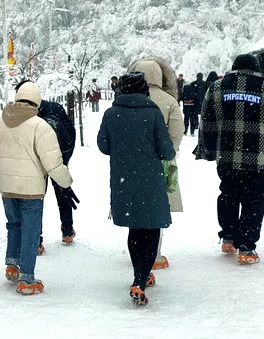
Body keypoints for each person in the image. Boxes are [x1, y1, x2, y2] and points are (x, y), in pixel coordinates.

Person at [196, 53, 264, 265]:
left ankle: (229, 237)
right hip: (259, 157)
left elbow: (206, 119)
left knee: (228, 194)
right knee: (256, 200)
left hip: (227, 156)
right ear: (257, 68)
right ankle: (247, 246)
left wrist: (207, 148)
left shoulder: (217, 87)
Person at [0, 80, 72, 295]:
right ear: (37, 102)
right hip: (31, 189)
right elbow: (53, 163)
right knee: (31, 230)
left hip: (7, 187)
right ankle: (27, 278)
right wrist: (66, 182)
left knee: (14, 225)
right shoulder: (40, 126)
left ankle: (12, 264)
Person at [97, 72, 174, 306]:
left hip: (123, 179)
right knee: (150, 229)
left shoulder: (111, 113)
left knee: (134, 228)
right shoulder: (153, 113)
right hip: (150, 179)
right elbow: (167, 150)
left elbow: (103, 145)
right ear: (145, 90)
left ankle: (139, 276)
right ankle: (140, 280)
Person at [130, 58, 183, 270]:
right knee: (159, 207)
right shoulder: (169, 100)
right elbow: (177, 132)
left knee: (136, 205)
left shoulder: (130, 98)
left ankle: (136, 250)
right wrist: (169, 153)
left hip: (135, 162)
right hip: (163, 162)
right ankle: (155, 253)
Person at [18, 78, 80, 253]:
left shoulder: (22, 115)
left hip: (34, 165)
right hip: (57, 159)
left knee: (34, 201)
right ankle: (67, 231)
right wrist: (64, 160)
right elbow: (70, 134)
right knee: (63, 194)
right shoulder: (55, 109)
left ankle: (36, 240)